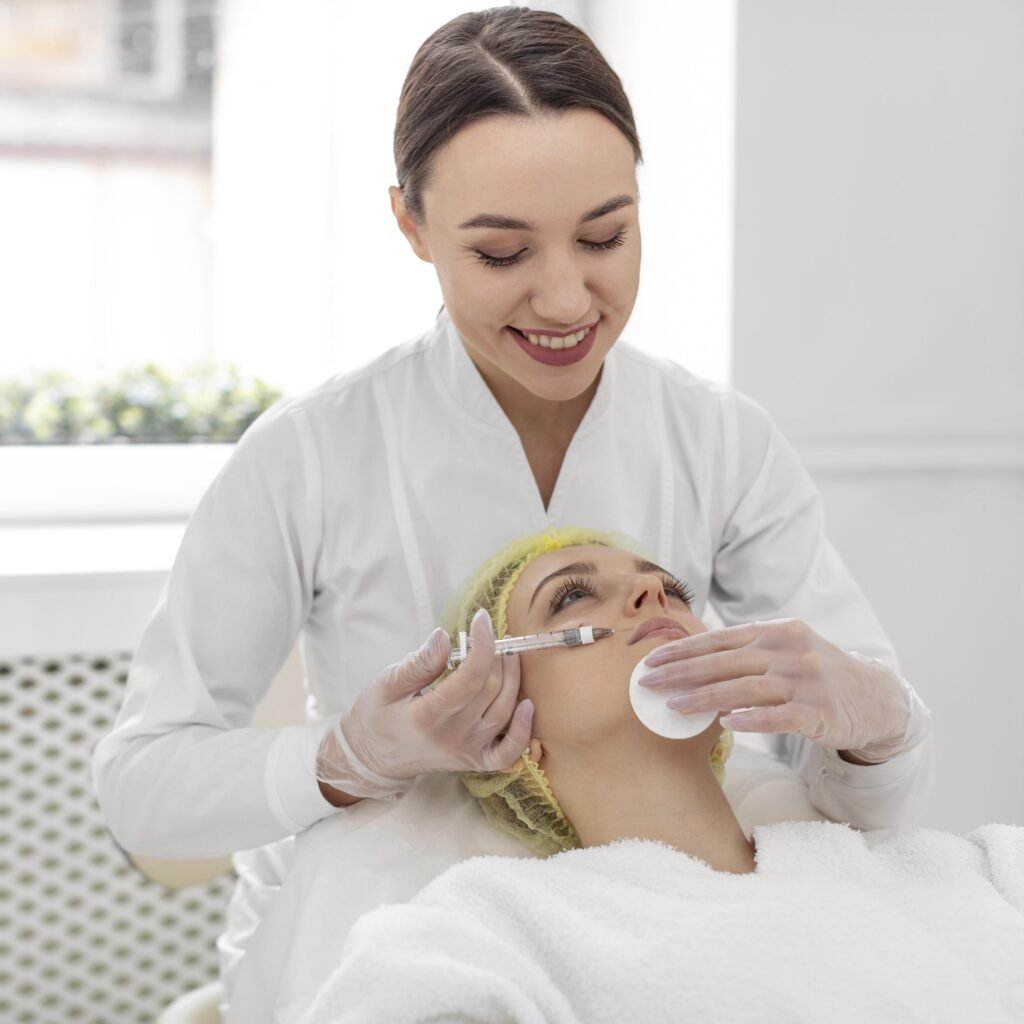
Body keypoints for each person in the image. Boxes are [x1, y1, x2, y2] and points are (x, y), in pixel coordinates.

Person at [91, 7, 934, 1015]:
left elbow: (859, 810)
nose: (567, 299)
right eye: (501, 254)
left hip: (676, 933)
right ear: (409, 223)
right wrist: (346, 758)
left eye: (604, 236)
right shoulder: (311, 454)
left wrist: (873, 722)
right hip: (381, 925)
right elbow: (142, 781)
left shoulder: (718, 441)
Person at [299, 528, 1022, 1024]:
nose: (654, 597)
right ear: (505, 727)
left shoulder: (970, 869)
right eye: (572, 597)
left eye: (670, 588)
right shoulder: (494, 926)